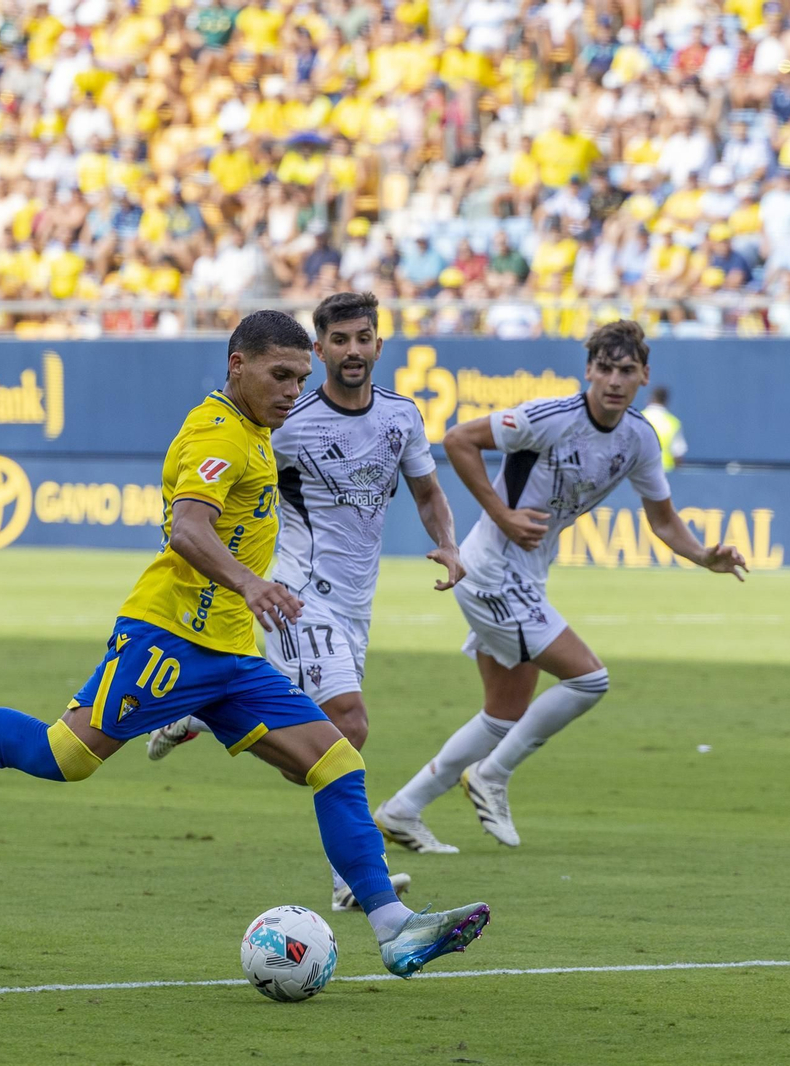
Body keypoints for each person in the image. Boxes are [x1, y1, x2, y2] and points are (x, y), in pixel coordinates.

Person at [0, 310, 490, 978]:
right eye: (280, 375)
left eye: (300, 377)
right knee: (64, 756)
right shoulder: (217, 432)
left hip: (232, 655)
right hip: (169, 639)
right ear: (238, 365)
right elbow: (188, 530)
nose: (294, 390)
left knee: (337, 763)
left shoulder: (260, 431)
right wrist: (251, 584)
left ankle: (394, 928)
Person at [144, 292, 468, 907]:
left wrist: (449, 545)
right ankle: (353, 881)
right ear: (317, 350)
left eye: (363, 337)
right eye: (339, 340)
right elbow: (227, 462)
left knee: (310, 758)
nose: (352, 350)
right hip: (294, 591)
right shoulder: (287, 418)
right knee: (349, 722)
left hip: (354, 604)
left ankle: (209, 703)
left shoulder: (402, 416)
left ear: (378, 344)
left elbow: (427, 493)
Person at [373, 321, 748, 850]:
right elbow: (458, 440)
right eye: (605, 369)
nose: (614, 380)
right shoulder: (548, 418)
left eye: (626, 370)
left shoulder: (639, 437)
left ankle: (402, 810)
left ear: (643, 375)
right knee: (589, 680)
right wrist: (502, 514)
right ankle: (491, 776)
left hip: (525, 574)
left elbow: (663, 521)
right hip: (492, 571)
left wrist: (705, 555)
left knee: (503, 713)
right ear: (589, 371)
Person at [641, 387, 688, 472]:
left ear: (650, 398)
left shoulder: (637, 419)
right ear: (666, 401)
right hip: (665, 475)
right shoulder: (673, 423)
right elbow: (677, 455)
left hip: (639, 474)